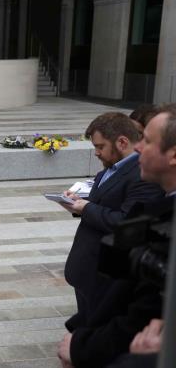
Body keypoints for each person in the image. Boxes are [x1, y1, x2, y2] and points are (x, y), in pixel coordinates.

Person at [58, 105, 176, 367]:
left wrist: (81, 347)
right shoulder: (161, 211)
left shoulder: (162, 222)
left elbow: (140, 309)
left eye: (147, 140)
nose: (138, 148)